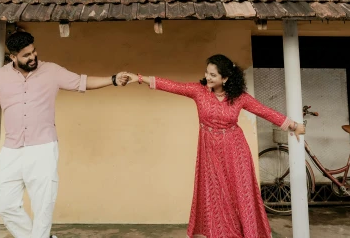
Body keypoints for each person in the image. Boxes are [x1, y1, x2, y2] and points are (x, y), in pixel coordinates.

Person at [124, 55, 305, 238]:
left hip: (236, 150)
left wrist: (294, 126)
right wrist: (139, 78)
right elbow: (172, 85)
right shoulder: (198, 91)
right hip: (210, 153)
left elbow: (263, 110)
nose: (208, 77)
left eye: (213, 74)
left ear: (225, 78)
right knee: (216, 196)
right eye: (207, 73)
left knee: (241, 195)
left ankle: (248, 233)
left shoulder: (239, 98)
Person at [0, 30, 130, 238]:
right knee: (5, 205)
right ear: (13, 57)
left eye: (34, 51)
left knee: (42, 208)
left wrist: (112, 79)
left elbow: (81, 82)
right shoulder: (0, 77)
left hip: (43, 148)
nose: (33, 57)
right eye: (26, 55)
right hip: (12, 150)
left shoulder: (52, 71)